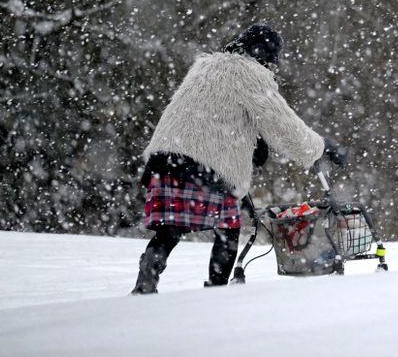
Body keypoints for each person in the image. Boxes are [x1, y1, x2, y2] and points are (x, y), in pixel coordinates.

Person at [131, 23, 346, 294]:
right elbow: (285, 127)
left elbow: (209, 116)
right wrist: (321, 147)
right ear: (267, 57)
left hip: (164, 160)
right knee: (228, 227)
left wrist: (250, 147)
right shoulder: (252, 74)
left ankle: (145, 283)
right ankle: (218, 292)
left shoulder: (205, 67)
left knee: (170, 229)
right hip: (202, 165)